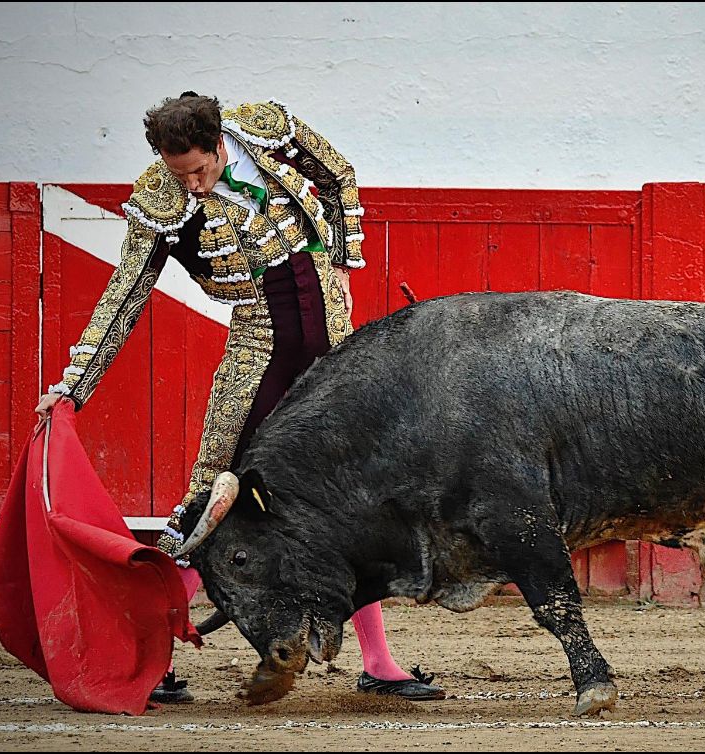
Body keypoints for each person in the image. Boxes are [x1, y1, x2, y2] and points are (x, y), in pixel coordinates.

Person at [34, 93, 444, 703]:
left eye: (200, 170)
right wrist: (74, 386)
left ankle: (379, 661)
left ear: (220, 141)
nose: (194, 187)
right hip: (261, 359)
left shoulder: (266, 129)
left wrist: (341, 261)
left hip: (334, 355)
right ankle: (155, 660)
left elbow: (337, 175)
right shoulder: (159, 202)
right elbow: (124, 297)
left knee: (354, 503)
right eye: (181, 175)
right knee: (208, 503)